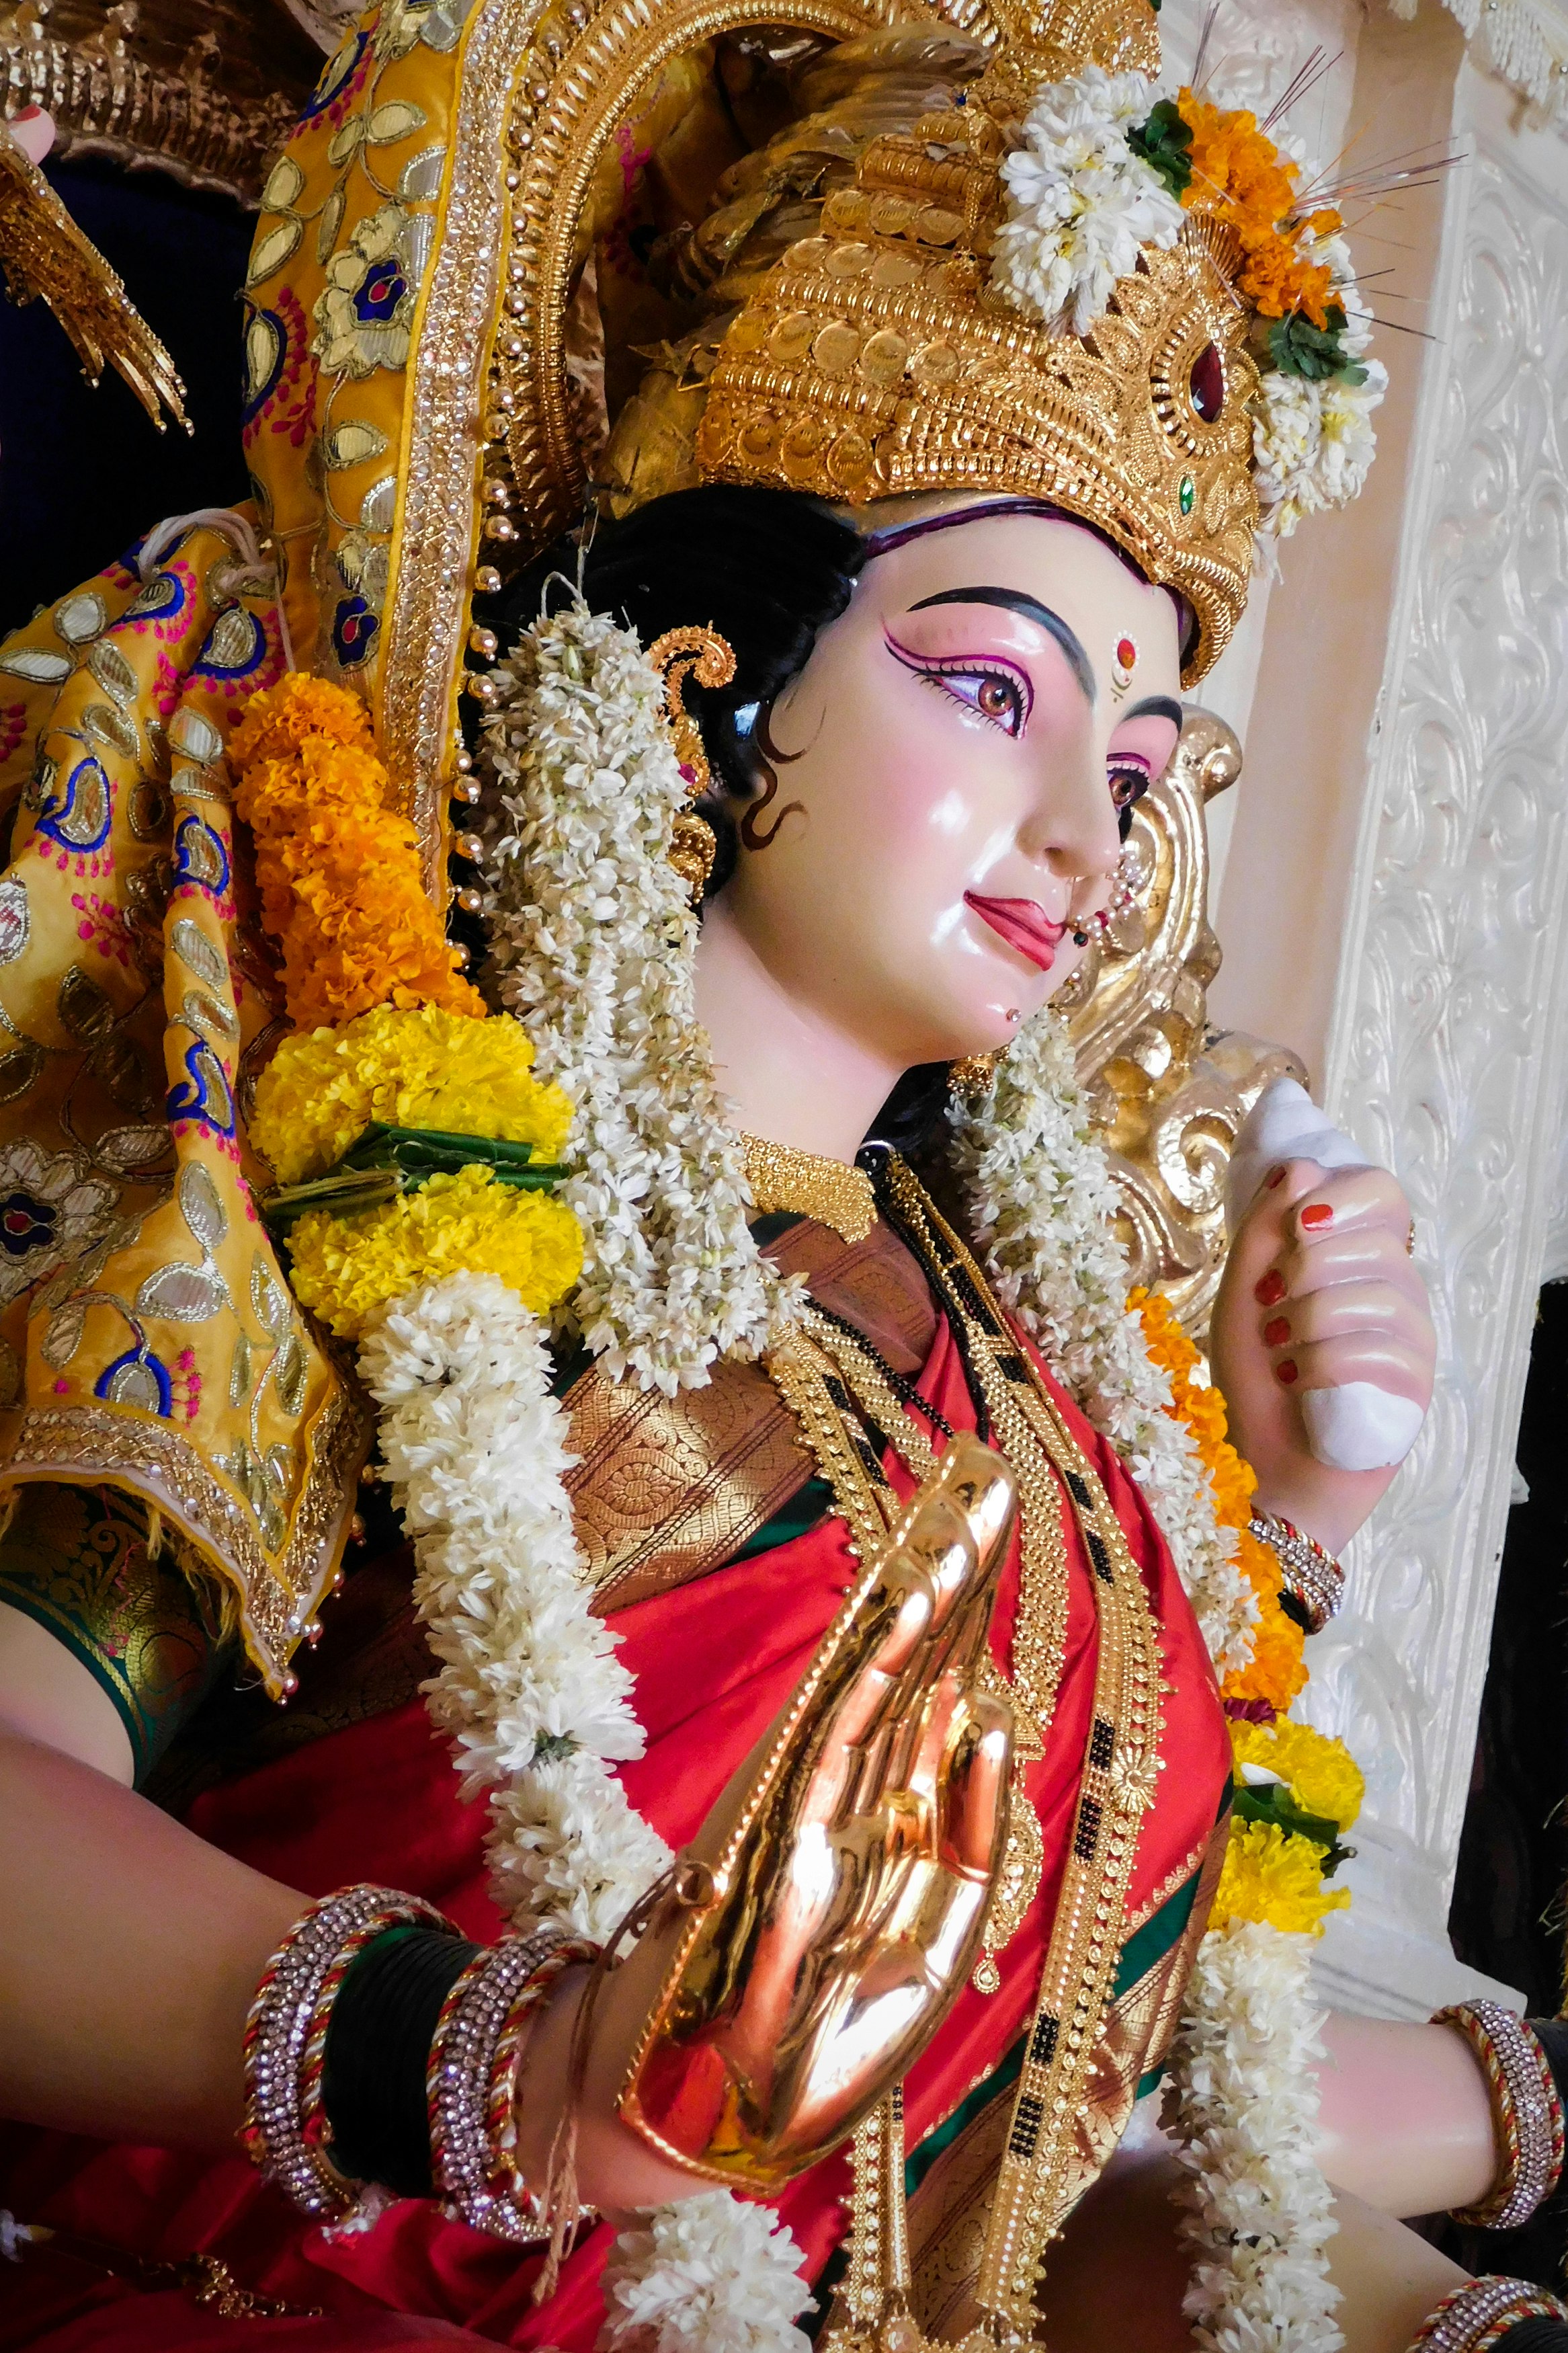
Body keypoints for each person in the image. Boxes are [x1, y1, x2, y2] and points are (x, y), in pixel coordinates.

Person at [0, 1, 1555, 2348]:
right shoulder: (379, 1151)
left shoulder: (1032, 1369)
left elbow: (1034, 2134)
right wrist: (506, 2058)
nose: (1084, 840)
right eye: (994, 688)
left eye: (1134, 763)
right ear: (717, 666)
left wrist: (1296, 1532)